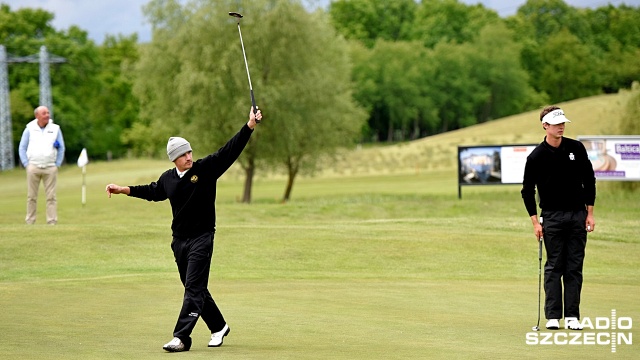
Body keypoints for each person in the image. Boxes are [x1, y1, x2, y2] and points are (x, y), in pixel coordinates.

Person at [105, 106, 262, 352]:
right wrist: (124, 189)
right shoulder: (169, 178)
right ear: (174, 158)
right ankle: (219, 326)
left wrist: (249, 126)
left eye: (189, 151)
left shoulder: (205, 170)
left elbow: (228, 151)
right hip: (179, 242)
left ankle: (181, 337)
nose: (189, 156)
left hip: (202, 237)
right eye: (184, 154)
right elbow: (153, 191)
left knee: (193, 288)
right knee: (194, 287)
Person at [521, 105, 596, 331]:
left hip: (577, 215)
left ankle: (572, 316)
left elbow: (589, 180)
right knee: (554, 266)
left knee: (574, 266)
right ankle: (553, 316)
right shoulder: (536, 156)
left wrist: (590, 213)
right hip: (551, 217)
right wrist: (535, 221)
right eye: (556, 123)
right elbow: (527, 190)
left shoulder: (576, 148)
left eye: (563, 123)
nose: (561, 126)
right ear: (545, 126)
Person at [18, 106, 66, 225]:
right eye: (44, 113)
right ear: (37, 116)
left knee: (51, 196)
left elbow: (61, 147)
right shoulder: (29, 128)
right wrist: (26, 164)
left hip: (50, 167)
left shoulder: (55, 128)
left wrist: (57, 164)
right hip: (33, 166)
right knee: (31, 197)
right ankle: (30, 221)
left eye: (48, 113)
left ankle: (52, 221)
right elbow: (22, 147)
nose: (47, 115)